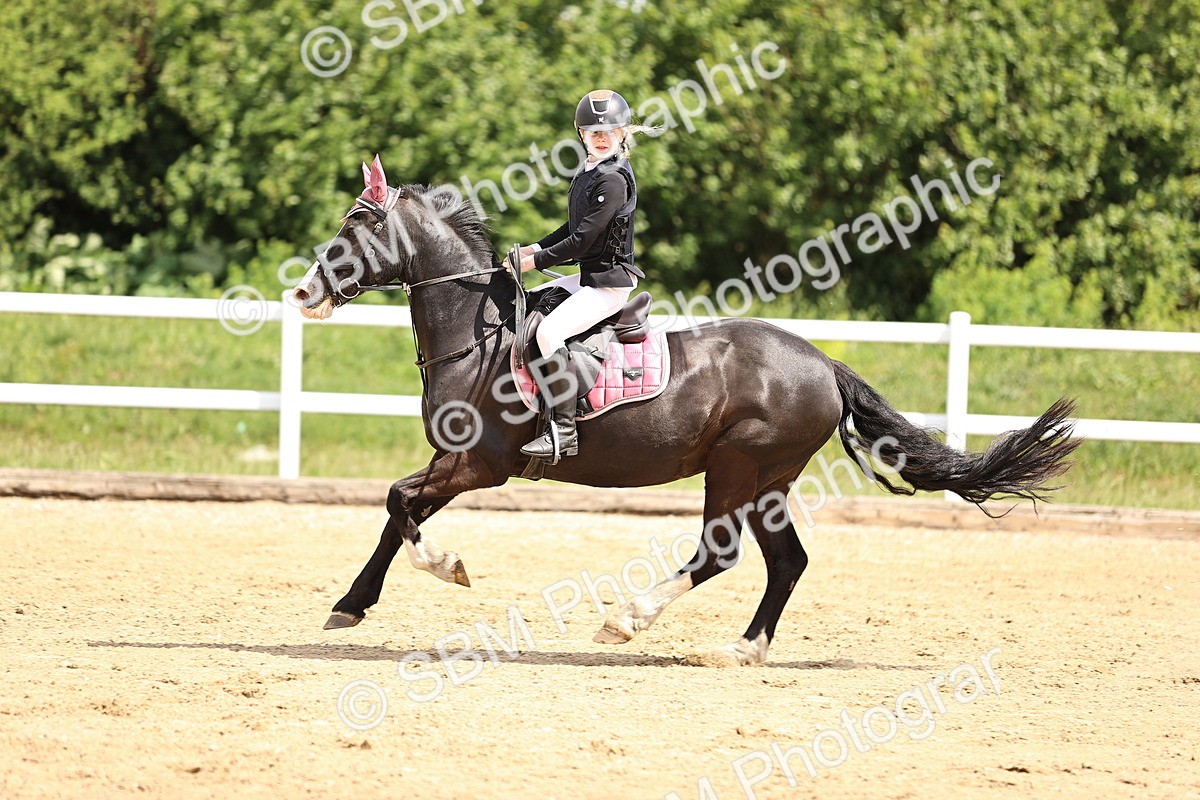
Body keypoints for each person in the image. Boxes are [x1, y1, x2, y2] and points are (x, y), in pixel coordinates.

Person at [514, 89, 649, 460]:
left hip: (608, 282)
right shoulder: (592, 170)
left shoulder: (613, 179)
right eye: (593, 131)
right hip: (593, 275)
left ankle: (563, 429)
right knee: (534, 302)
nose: (601, 136)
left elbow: (582, 240)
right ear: (581, 134)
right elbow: (571, 225)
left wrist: (536, 262)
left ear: (623, 133)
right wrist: (534, 247)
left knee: (549, 331)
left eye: (608, 130)